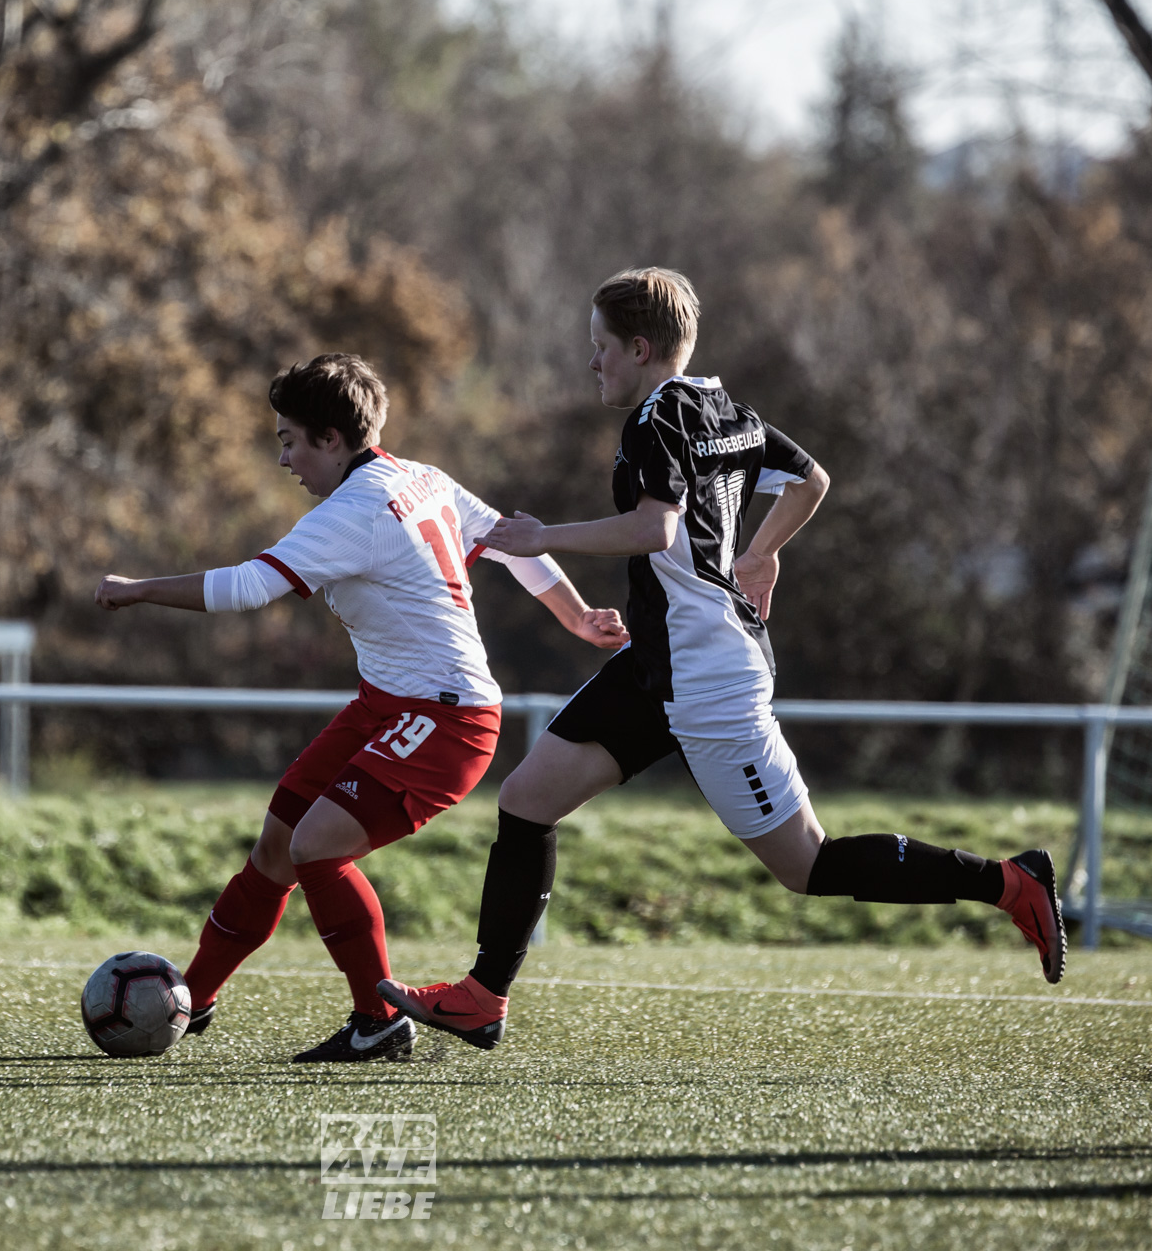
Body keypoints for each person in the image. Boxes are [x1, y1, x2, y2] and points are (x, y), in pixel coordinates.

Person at [378, 268, 1066, 1052]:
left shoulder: (654, 419)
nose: (591, 363)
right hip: (659, 665)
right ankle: (483, 997)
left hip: (708, 678)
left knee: (806, 866)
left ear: (640, 349)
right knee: (527, 800)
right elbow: (811, 480)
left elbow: (653, 530)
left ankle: (1009, 883)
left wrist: (544, 537)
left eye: (600, 348)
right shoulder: (720, 406)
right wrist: (761, 554)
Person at [94, 353, 627, 1063]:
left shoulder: (353, 510)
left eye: (289, 439)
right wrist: (578, 614)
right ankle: (189, 999)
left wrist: (138, 588)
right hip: (390, 705)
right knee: (278, 846)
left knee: (316, 847)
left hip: (446, 721)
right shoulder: (422, 478)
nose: (283, 457)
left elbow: (247, 589)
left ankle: (378, 1022)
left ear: (331, 438)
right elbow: (508, 542)